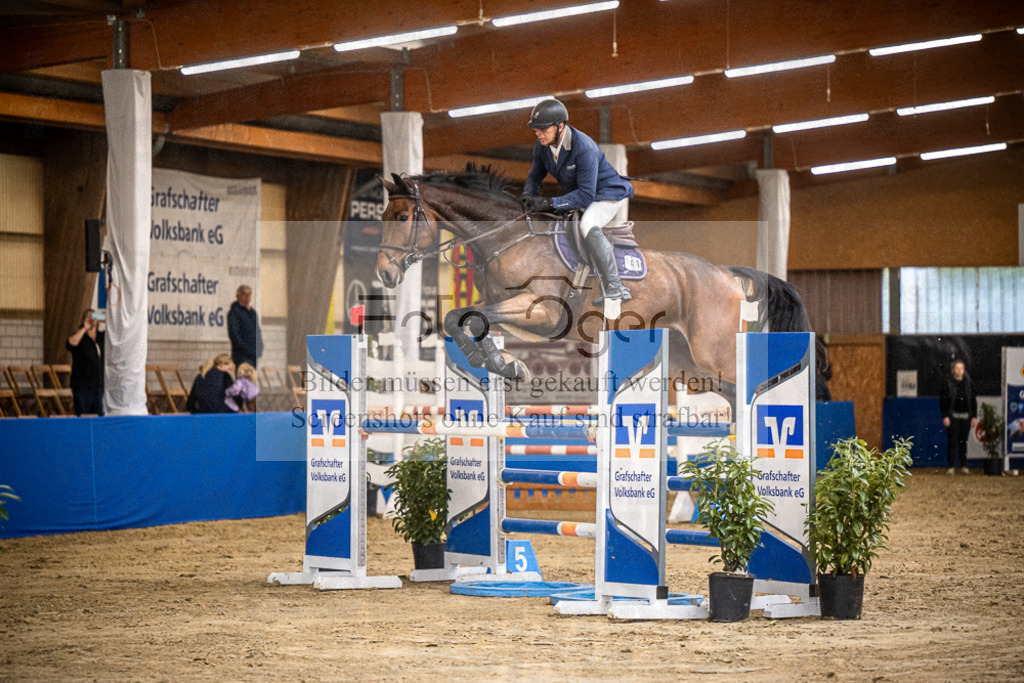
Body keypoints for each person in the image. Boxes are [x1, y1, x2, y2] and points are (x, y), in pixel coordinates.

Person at [519, 98, 634, 305]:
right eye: (536, 129)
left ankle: (616, 286)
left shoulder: (584, 147)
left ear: (560, 126)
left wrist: (550, 203)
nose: (538, 133)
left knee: (587, 224)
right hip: (583, 194)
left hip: (607, 194)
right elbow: (535, 176)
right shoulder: (542, 146)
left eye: (543, 128)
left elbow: (586, 196)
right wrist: (527, 196)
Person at [940, 359, 977, 475]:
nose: (959, 371)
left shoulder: (969, 383)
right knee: (952, 442)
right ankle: (951, 467)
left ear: (964, 370)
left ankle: (964, 466)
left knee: (963, 442)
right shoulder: (947, 383)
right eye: (957, 368)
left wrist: (974, 416)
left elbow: (973, 401)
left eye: (961, 368)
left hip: (966, 417)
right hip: (953, 417)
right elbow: (943, 401)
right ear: (953, 370)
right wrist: (945, 416)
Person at [65, 308, 105, 416]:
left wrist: (103, 318)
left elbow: (115, 326)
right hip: (82, 385)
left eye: (93, 316)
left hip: (98, 384)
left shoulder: (101, 337)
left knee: (99, 414)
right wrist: (84, 328)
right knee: (83, 414)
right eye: (88, 316)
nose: (91, 319)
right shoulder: (80, 337)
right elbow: (70, 344)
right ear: (83, 320)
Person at [227, 285, 263, 368]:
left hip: (253, 355)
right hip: (241, 356)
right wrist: (246, 349)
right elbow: (234, 334)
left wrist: (260, 347)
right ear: (238, 296)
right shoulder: (234, 312)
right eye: (244, 294)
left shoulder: (253, 313)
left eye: (249, 294)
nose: (247, 297)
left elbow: (258, 331)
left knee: (252, 375)